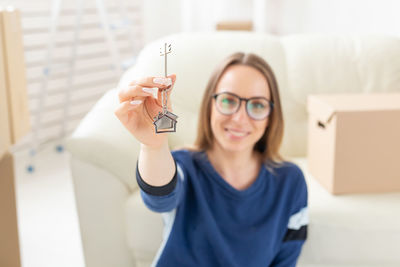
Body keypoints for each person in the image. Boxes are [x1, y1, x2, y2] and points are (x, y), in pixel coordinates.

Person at [114, 52, 309, 267]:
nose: (240, 118)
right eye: (228, 100)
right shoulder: (185, 168)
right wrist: (154, 145)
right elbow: (158, 198)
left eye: (257, 105)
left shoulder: (290, 181)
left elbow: (286, 260)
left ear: (271, 116)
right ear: (210, 106)